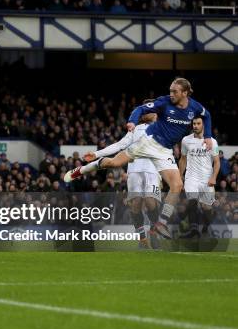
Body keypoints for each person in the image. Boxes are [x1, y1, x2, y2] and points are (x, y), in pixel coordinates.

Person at [64, 78, 213, 239]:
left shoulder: (195, 107)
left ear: (185, 93)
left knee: (177, 185)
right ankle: (82, 170)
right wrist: (132, 123)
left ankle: (161, 223)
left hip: (165, 151)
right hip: (148, 142)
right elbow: (140, 109)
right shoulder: (163, 102)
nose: (171, 94)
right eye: (170, 90)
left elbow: (207, 115)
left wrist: (208, 136)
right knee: (114, 163)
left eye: (174, 91)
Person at [80, 101, 161, 248]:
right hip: (135, 170)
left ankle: (154, 232)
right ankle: (142, 238)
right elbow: (119, 145)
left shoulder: (162, 127)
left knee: (150, 201)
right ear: (144, 114)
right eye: (150, 110)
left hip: (152, 170)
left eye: (154, 110)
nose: (154, 112)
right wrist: (97, 153)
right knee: (136, 205)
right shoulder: (136, 130)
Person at [178, 117, 220, 237]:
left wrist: (214, 177)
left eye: (198, 123)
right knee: (192, 201)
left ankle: (206, 226)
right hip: (191, 177)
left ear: (203, 125)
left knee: (206, 208)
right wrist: (179, 176)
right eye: (194, 123)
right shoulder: (186, 140)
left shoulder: (212, 141)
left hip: (207, 179)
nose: (195, 126)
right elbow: (183, 159)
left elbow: (217, 162)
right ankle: (194, 230)